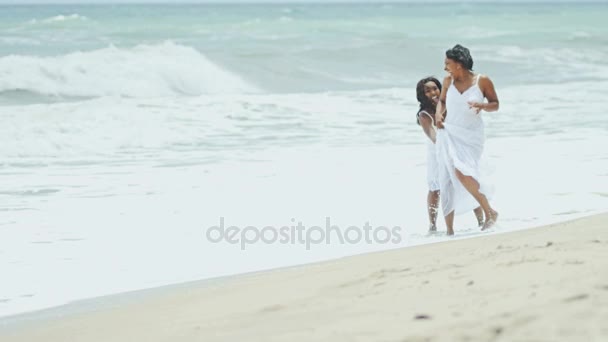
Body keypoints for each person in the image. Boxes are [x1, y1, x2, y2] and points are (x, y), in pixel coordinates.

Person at [434, 44, 499, 235]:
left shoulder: (482, 81)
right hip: (451, 132)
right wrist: (439, 114)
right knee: (455, 174)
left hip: (472, 136)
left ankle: (489, 211)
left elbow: (495, 104)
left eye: (448, 63)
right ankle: (486, 213)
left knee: (465, 173)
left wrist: (482, 105)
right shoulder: (447, 81)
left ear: (459, 64)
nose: (445, 67)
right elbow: (443, 101)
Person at [415, 76, 484, 233]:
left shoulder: (449, 105)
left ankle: (481, 221)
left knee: (467, 182)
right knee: (436, 188)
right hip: (437, 153)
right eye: (427, 91)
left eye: (435, 88)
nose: (433, 92)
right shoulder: (424, 115)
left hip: (456, 149)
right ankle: (433, 226)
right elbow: (433, 136)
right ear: (422, 95)